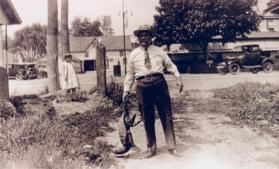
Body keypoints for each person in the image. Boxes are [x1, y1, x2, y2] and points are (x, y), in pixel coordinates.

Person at [122, 25, 184, 158]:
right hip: (142, 86)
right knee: (147, 118)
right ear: (138, 38)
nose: (144, 37)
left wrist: (178, 77)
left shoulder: (159, 51)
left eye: (146, 35)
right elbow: (129, 74)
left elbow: (170, 65)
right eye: (141, 35)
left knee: (166, 115)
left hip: (159, 83)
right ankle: (151, 148)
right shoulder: (133, 55)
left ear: (151, 37)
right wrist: (126, 90)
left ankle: (172, 147)